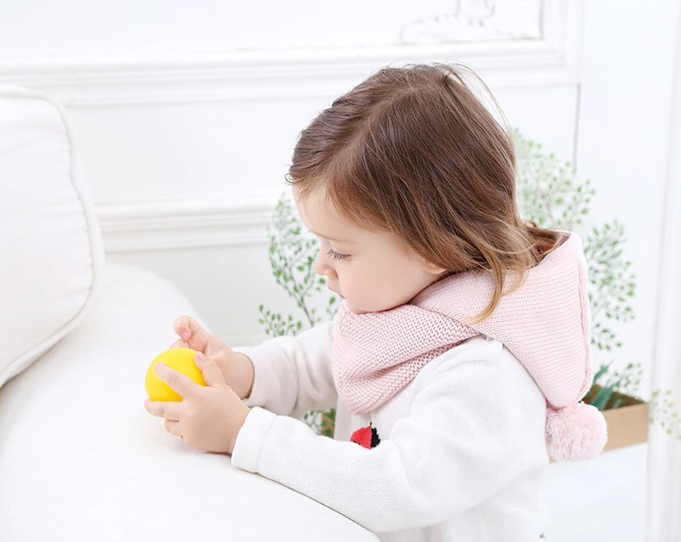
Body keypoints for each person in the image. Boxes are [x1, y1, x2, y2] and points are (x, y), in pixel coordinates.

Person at [144, 63, 607, 541]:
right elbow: (311, 362)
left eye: (340, 251)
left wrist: (245, 433)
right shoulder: (404, 313)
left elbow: (396, 488)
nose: (321, 265)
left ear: (433, 248)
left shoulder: (487, 374)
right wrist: (240, 372)